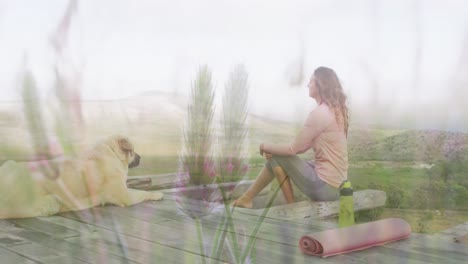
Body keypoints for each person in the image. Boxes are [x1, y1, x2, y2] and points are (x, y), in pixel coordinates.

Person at [232, 66, 349, 208]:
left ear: (320, 85)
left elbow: (294, 149)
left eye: (311, 81)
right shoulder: (336, 111)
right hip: (337, 186)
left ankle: (288, 207)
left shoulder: (320, 113)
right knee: (276, 158)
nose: (308, 84)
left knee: (276, 157)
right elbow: (303, 147)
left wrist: (264, 146)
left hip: (325, 188)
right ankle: (247, 199)